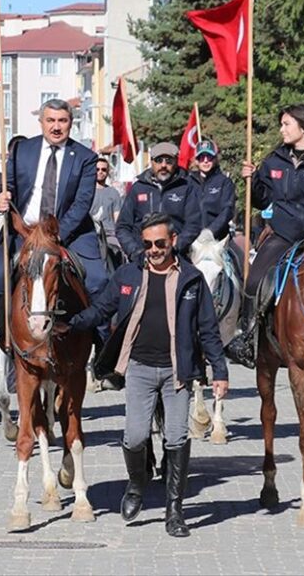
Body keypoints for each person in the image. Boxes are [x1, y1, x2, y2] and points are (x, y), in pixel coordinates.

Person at [56, 212, 228, 536]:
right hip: (139, 369)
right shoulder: (128, 275)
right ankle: (136, 485)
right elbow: (100, 309)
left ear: (173, 241)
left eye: (160, 243)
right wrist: (71, 324)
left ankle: (174, 511)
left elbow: (208, 330)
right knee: (135, 436)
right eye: (148, 244)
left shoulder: (191, 279)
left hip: (178, 372)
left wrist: (219, 372)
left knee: (176, 437)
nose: (153, 249)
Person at [0, 99, 108, 376]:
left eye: (62, 121)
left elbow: (82, 203)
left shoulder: (86, 158)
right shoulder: (21, 150)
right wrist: (1, 197)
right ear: (41, 122)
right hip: (24, 230)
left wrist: (56, 236)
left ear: (71, 123)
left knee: (99, 280)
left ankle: (103, 348)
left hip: (70, 231)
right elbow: (9, 186)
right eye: (51, 120)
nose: (56, 127)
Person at [225, 104, 304, 367]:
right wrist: (252, 181)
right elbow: (262, 200)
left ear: (303, 127)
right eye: (281, 124)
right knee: (254, 280)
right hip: (282, 234)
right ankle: (248, 339)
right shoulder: (274, 160)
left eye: (286, 124)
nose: (281, 129)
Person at [116, 141, 201, 262]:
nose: (163, 165)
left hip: (176, 256)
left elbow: (193, 225)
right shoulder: (138, 188)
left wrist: (176, 247)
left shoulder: (187, 187)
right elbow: (122, 227)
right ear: (152, 162)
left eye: (169, 161)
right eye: (159, 160)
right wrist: (135, 252)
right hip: (141, 256)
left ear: (176, 162)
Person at [189, 139, 236, 241]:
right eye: (201, 157)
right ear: (196, 160)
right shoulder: (188, 182)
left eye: (209, 157)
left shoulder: (225, 182)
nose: (205, 160)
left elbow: (227, 210)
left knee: (238, 255)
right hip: (191, 239)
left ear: (215, 159)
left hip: (218, 238)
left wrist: (210, 231)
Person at [91, 156, 124, 255]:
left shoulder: (113, 193)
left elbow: (117, 218)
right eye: (97, 169)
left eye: (103, 169)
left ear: (107, 172)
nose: (100, 172)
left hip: (109, 235)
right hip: (90, 235)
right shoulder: (86, 192)